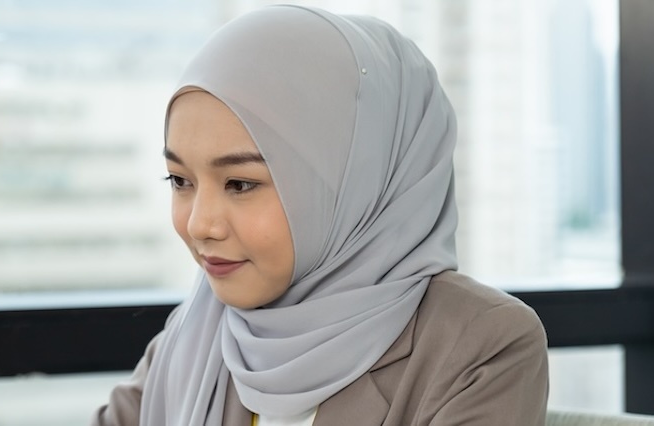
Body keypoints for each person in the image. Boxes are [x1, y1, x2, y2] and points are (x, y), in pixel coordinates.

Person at [92, 5, 549, 426]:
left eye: (241, 184)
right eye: (180, 181)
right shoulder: (194, 339)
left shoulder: (480, 345)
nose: (199, 226)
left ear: (352, 184)